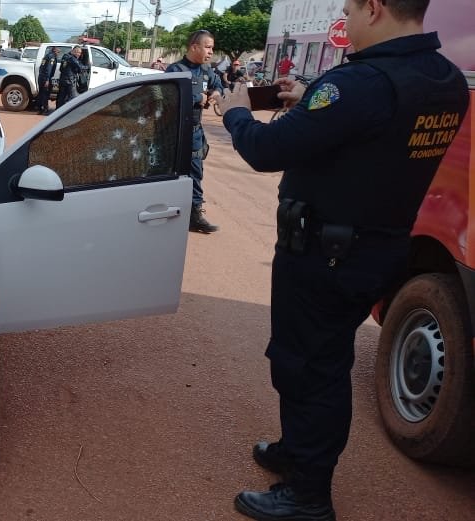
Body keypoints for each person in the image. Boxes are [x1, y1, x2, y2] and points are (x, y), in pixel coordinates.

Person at [217, 0, 469, 519]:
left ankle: (308, 493)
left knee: (311, 367)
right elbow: (376, 131)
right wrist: (311, 102)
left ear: (374, 8)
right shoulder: (445, 79)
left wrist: (236, 111)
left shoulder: (361, 83)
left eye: (350, 9)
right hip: (376, 248)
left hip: (325, 255)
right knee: (319, 358)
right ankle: (297, 451)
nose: (347, 21)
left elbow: (265, 149)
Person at [164, 29, 225, 233]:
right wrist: (197, 98)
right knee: (169, 173)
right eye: (207, 47)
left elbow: (219, 86)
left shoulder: (207, 71)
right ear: (194, 47)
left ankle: (194, 215)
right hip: (173, 133)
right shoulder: (175, 70)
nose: (211, 52)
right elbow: (167, 99)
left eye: (212, 48)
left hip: (195, 132)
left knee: (195, 173)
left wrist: (216, 93)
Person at [33, 46, 60, 115]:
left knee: (41, 93)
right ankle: (45, 109)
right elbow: (49, 68)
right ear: (55, 51)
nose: (58, 53)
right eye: (58, 52)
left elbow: (41, 67)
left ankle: (39, 108)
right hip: (45, 78)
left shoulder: (46, 56)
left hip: (41, 77)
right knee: (45, 94)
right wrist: (47, 79)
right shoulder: (52, 57)